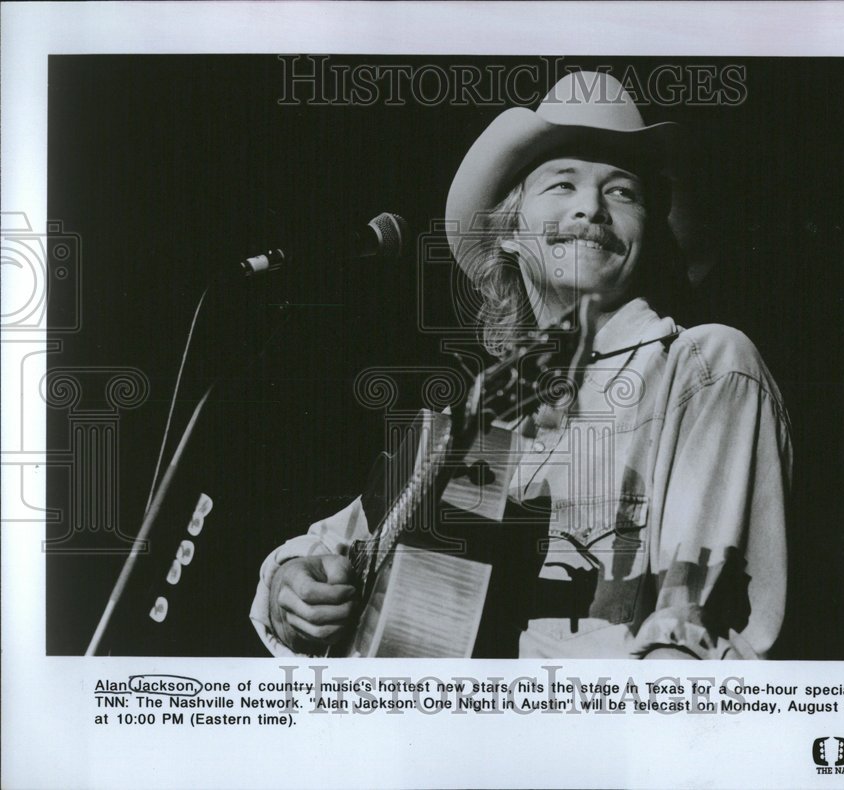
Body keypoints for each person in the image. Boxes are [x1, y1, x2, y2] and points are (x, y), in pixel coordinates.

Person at [250, 71, 792, 659]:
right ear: (510, 230)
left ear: (649, 236)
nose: (591, 209)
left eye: (622, 193)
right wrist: (290, 587)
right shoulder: (481, 412)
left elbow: (691, 641)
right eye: (562, 185)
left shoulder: (704, 366)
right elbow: (329, 548)